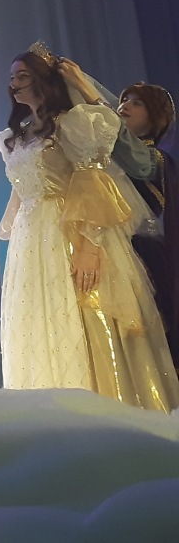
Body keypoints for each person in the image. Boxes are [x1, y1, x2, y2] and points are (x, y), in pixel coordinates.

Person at [0, 44, 178, 411]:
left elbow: (93, 178)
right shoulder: (15, 137)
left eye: (23, 76)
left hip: (78, 230)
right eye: (12, 77)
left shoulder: (83, 128)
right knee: (41, 318)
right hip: (33, 238)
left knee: (94, 320)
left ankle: (98, 408)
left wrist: (90, 244)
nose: (14, 83)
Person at [116, 82, 178, 352]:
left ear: (154, 117)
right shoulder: (109, 154)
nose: (124, 106)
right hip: (108, 247)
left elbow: (132, 157)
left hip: (141, 257)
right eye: (124, 100)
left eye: (137, 103)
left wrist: (95, 100)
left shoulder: (154, 159)